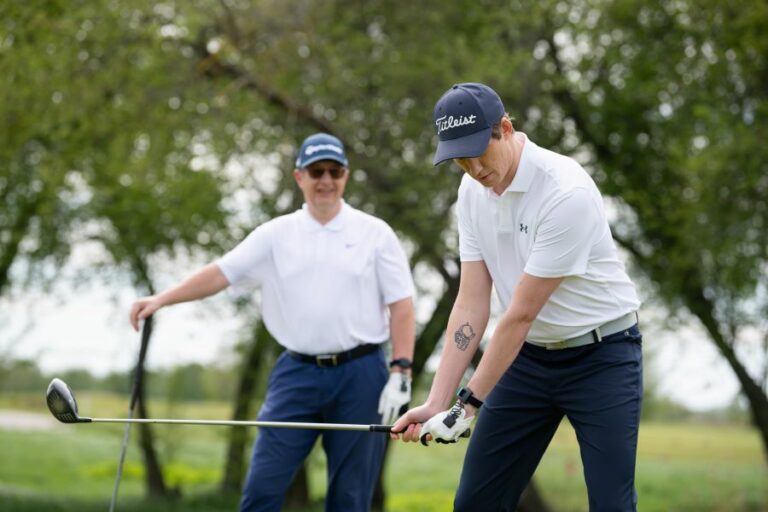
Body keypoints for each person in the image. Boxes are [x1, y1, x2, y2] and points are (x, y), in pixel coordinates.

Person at [129, 133, 416, 512]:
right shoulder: (276, 235)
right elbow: (220, 274)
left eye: (334, 171)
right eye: (317, 171)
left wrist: (401, 370)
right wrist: (162, 298)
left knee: (350, 498)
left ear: (346, 175)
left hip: (361, 375)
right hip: (296, 373)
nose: (326, 180)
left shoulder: (374, 233)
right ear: (299, 177)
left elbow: (402, 305)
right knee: (261, 492)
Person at [391, 83, 642, 511]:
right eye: (459, 159)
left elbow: (520, 314)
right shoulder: (471, 193)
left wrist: (466, 406)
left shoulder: (566, 192)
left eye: (478, 151)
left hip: (602, 359)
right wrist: (438, 400)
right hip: (527, 360)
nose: (472, 168)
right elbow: (471, 303)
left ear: (505, 129)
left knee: (611, 503)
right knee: (475, 503)